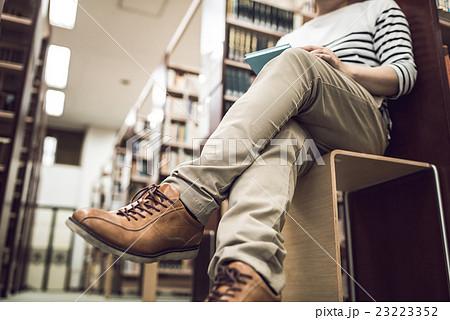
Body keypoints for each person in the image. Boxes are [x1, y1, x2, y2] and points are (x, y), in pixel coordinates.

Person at [66, 0, 416, 302]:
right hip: (307, 133)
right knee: (277, 143)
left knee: (298, 63)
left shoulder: (378, 7)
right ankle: (248, 272)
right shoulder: (291, 37)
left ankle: (185, 198)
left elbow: (403, 75)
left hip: (361, 124)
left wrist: (340, 68)